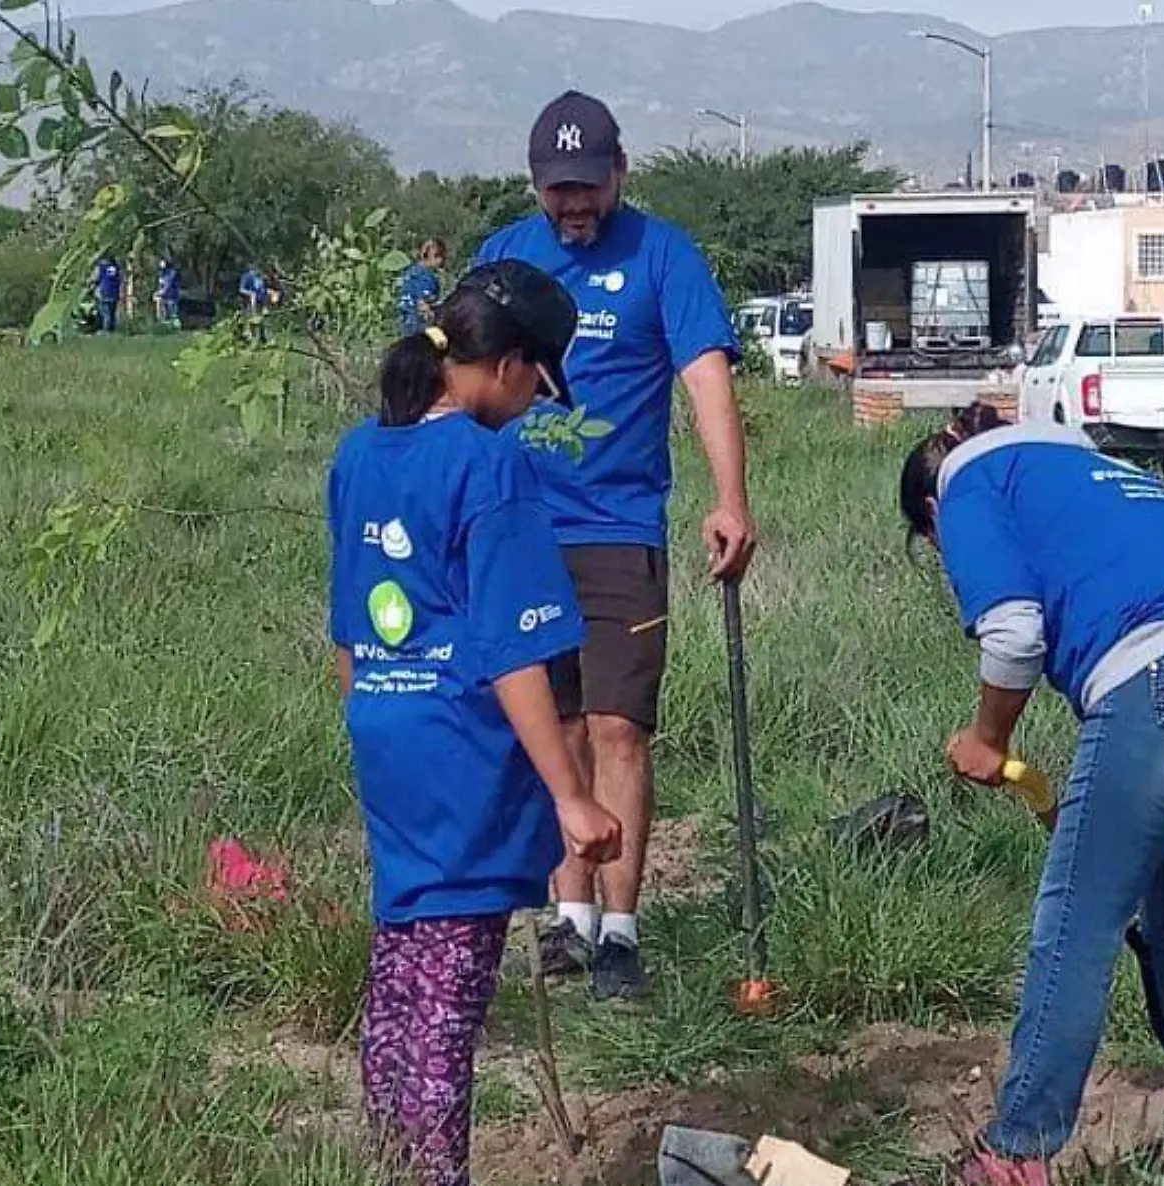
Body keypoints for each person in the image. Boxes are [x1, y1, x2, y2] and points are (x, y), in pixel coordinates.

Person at [898, 406, 1164, 1186]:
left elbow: (1015, 632)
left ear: (929, 513)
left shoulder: (965, 481)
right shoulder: (1092, 468)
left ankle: (1015, 1155)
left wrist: (988, 741)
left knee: (1076, 924)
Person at [327, 259, 624, 1186]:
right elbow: (513, 652)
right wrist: (572, 797)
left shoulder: (360, 453)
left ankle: (385, 1165)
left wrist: (379, 714)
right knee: (452, 999)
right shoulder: (490, 464)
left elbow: (347, 632)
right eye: (540, 382)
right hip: (465, 759)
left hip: (387, 737)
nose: (537, 402)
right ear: (510, 366)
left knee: (403, 980)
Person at [472, 89, 757, 1002]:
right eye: (559, 191)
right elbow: (457, 381)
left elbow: (705, 379)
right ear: (536, 187)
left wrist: (730, 499)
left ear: (619, 173)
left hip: (618, 531)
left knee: (618, 727)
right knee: (551, 731)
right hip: (516, 531)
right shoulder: (504, 257)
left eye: (589, 187)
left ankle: (622, 934)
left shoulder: (665, 256)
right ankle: (569, 917)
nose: (575, 206)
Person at [399, 239, 449, 336]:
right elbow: (422, 304)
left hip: (406, 321)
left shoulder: (411, 273)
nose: (442, 262)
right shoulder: (426, 278)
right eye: (442, 258)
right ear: (435, 257)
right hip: (420, 324)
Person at [92, 253, 122, 333]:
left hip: (104, 292)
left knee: (105, 313)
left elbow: (95, 278)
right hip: (114, 292)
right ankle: (112, 329)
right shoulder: (116, 267)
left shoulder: (101, 266)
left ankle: (106, 330)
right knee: (112, 312)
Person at [156, 257, 182, 326]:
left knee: (173, 312)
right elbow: (160, 284)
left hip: (172, 296)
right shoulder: (161, 273)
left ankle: (176, 325)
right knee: (162, 311)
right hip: (164, 297)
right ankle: (163, 324)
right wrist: (158, 292)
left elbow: (168, 284)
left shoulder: (172, 273)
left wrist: (161, 292)